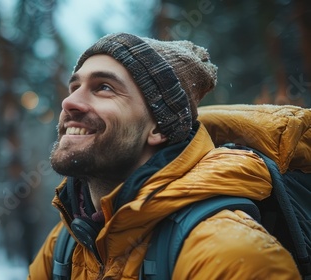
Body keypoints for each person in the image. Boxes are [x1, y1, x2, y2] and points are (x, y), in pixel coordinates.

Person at [28, 32, 300, 279]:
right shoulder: (65, 245)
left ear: (158, 126)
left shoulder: (228, 254)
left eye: (104, 87)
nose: (69, 102)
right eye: (75, 87)